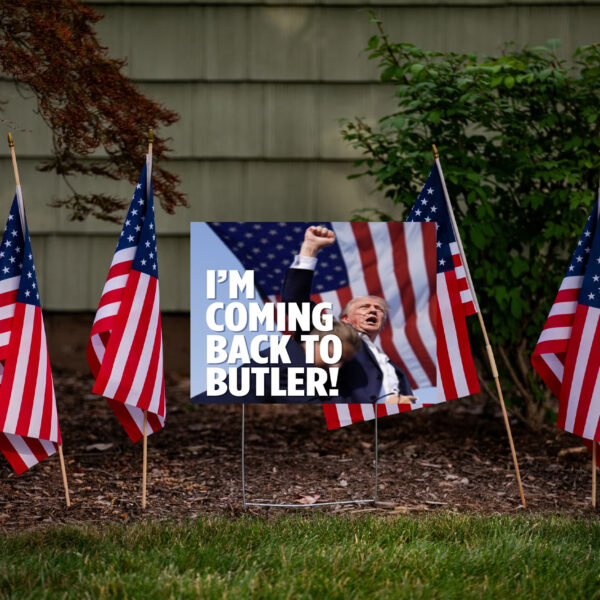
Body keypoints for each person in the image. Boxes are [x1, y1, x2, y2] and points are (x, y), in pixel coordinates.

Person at [281, 225, 417, 405]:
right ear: (345, 318)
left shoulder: (395, 369)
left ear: (383, 323)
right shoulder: (327, 335)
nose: (373, 310)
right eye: (364, 307)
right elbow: (295, 300)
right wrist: (310, 248)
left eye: (379, 309)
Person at [191, 318, 362, 404]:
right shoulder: (290, 364)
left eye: (343, 361)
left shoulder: (289, 353)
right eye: (335, 356)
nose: (337, 365)